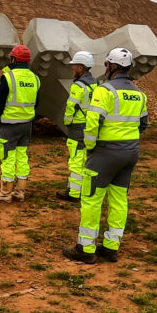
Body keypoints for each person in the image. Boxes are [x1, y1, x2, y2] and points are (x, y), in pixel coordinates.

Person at [63, 47, 148, 264]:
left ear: (111, 66)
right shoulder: (139, 94)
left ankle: (86, 248)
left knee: (91, 199)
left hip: (105, 153)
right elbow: (143, 124)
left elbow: (92, 124)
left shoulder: (105, 90)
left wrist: (91, 147)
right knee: (119, 199)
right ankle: (111, 247)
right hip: (130, 152)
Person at [0, 45, 40, 203]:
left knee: (7, 156)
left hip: (10, 124)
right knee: (22, 156)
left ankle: (5, 192)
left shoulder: (9, 77)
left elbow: (0, 102)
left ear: (14, 59)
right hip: (27, 124)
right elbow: (37, 102)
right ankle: (20, 191)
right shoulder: (34, 78)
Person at [55, 51, 98, 202]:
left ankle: (73, 192)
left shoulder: (78, 86)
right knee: (87, 160)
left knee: (76, 160)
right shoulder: (96, 84)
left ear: (80, 68)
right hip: (92, 127)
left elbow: (71, 106)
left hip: (78, 128)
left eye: (74, 66)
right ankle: (85, 190)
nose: (72, 69)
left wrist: (67, 123)